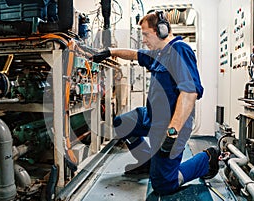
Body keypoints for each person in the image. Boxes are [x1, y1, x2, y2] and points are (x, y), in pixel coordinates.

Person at [91, 11, 221, 195]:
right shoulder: (159, 53)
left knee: (163, 185)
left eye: (145, 34)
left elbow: (189, 93)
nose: (143, 39)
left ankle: (206, 159)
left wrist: (172, 132)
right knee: (122, 123)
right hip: (151, 117)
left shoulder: (179, 50)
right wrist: (109, 52)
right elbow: (134, 54)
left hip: (170, 125)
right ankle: (146, 161)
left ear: (161, 30)